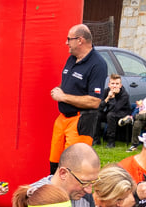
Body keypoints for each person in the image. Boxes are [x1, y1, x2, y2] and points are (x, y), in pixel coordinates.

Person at [49, 24, 108, 172]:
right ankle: (55, 194)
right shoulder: (72, 58)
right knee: (54, 164)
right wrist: (61, 89)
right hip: (63, 118)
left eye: (69, 39)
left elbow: (95, 101)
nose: (66, 43)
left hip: (80, 120)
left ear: (80, 40)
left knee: (71, 167)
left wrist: (63, 97)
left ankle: (73, 195)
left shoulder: (97, 64)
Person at [123, 79, 146, 152]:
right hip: (145, 118)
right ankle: (134, 145)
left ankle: (132, 118)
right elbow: (142, 110)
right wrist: (140, 106)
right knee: (138, 122)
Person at [97, 74, 132, 148]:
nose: (115, 86)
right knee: (98, 114)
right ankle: (96, 139)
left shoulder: (124, 94)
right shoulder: (106, 91)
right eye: (113, 83)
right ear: (109, 85)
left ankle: (111, 142)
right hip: (110, 112)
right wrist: (107, 98)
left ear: (120, 85)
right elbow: (99, 108)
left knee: (110, 115)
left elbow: (115, 109)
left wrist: (112, 98)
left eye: (117, 84)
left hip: (123, 114)